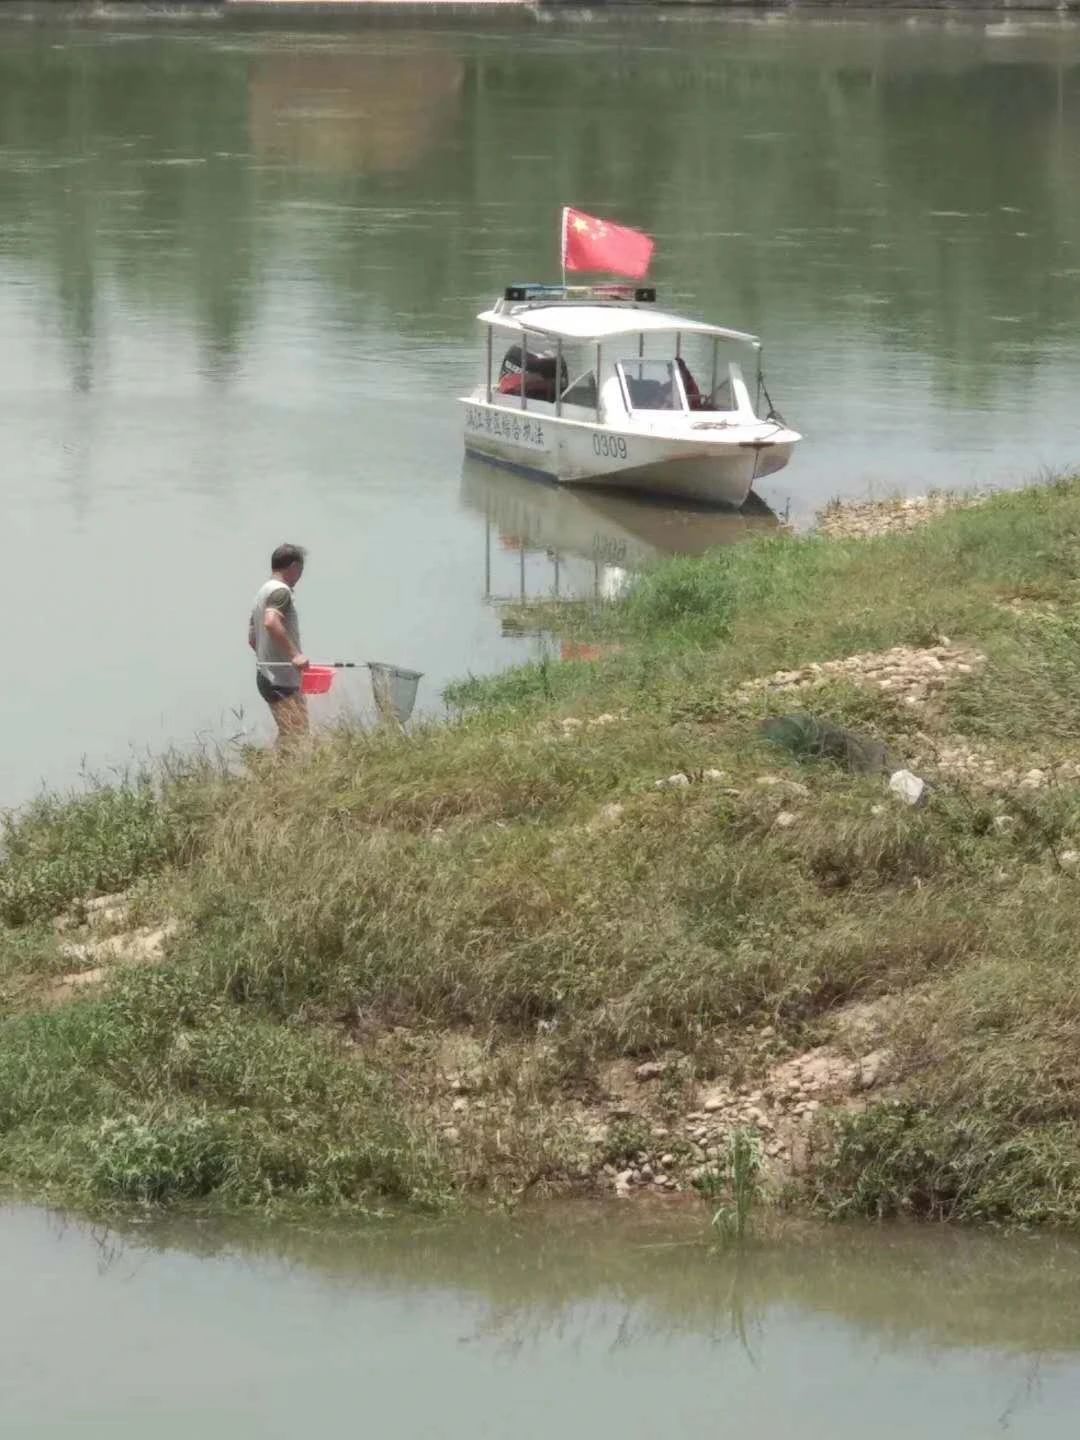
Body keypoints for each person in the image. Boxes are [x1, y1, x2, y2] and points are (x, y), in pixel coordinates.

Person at [249, 543, 310, 745]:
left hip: (265, 675)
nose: (300, 576)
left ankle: (273, 772)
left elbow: (252, 639)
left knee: (289, 733)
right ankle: (281, 773)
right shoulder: (281, 592)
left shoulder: (261, 593)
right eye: (301, 570)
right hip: (280, 679)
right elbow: (271, 621)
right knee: (298, 734)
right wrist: (295, 655)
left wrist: (269, 656)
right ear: (293, 567)